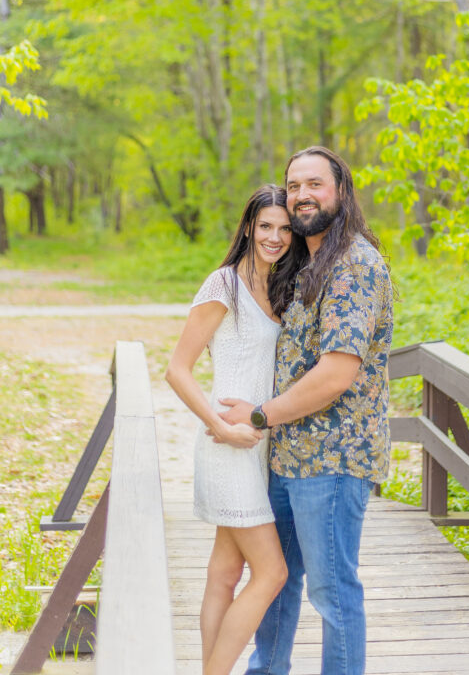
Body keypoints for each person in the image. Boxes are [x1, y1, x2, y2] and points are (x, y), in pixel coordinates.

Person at [219, 146, 394, 675]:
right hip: (288, 457)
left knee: (332, 592)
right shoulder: (309, 262)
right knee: (275, 579)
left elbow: (337, 374)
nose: (301, 195)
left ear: (340, 190)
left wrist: (258, 416)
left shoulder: (355, 265)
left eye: (314, 184)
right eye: (294, 186)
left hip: (334, 461)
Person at [165, 185, 307, 675]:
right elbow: (177, 370)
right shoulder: (223, 284)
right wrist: (218, 428)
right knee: (272, 573)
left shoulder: (281, 287)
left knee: (226, 573)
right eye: (266, 226)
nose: (275, 237)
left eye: (285, 228)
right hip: (228, 446)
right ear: (248, 226)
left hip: (260, 447)